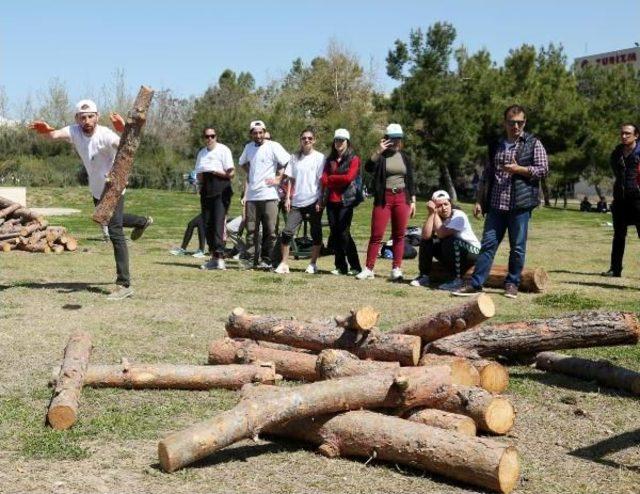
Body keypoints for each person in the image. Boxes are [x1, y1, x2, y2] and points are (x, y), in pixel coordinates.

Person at [28, 99, 152, 300]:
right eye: (82, 117)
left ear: (97, 117)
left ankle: (124, 284)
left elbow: (127, 146)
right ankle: (142, 221)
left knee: (115, 231)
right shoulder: (74, 131)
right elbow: (54, 135)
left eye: (90, 116)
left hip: (113, 187)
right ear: (77, 119)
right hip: (96, 189)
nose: (86, 121)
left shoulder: (105, 134)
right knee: (110, 220)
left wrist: (124, 130)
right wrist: (46, 131)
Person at [453, 104, 549, 299]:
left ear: (525, 122)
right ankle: (476, 284)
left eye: (520, 122)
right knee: (488, 245)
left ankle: (512, 283)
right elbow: (487, 174)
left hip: (519, 205)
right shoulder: (495, 144)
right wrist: (479, 200)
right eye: (512, 122)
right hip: (496, 205)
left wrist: (519, 169)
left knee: (518, 247)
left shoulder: (533, 143)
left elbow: (543, 169)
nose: (516, 126)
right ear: (505, 123)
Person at [356, 123, 416, 281]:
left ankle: (396, 269)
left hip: (402, 198)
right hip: (384, 198)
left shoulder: (405, 157)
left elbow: (410, 180)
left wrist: (413, 200)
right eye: (393, 139)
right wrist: (378, 151)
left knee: (399, 235)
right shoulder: (381, 157)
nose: (396, 142)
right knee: (376, 234)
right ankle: (369, 268)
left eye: (398, 139)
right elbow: (368, 167)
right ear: (386, 139)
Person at [238, 120, 290, 269]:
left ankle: (268, 260)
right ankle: (249, 260)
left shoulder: (274, 146)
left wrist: (279, 178)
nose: (258, 135)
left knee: (271, 230)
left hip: (269, 195)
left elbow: (288, 162)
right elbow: (242, 162)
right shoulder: (248, 148)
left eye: (261, 132)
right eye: (255, 133)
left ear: (264, 132)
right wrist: (252, 173)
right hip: (253, 196)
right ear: (251, 134)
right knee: (251, 230)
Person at [274, 128, 325, 274]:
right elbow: (290, 179)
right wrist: (288, 198)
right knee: (287, 232)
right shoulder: (294, 157)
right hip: (297, 202)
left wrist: (320, 200)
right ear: (300, 140)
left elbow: (322, 181)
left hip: (313, 200)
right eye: (304, 138)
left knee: (316, 233)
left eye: (310, 138)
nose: (307, 140)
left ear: (314, 140)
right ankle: (284, 263)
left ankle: (313, 263)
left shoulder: (320, 158)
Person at [410, 190, 480, 291]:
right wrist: (431, 214)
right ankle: (424, 276)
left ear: (450, 204)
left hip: (473, 252)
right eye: (439, 206)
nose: (444, 208)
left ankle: (456, 280)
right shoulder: (436, 215)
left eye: (446, 204)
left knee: (450, 239)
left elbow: (442, 233)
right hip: (454, 252)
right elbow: (425, 236)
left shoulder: (459, 215)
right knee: (427, 241)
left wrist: (435, 213)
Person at [321, 128, 363, 276]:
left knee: (344, 233)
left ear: (347, 142)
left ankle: (355, 266)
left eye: (342, 140)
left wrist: (332, 179)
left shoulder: (354, 158)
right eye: (337, 140)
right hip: (332, 201)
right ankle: (340, 266)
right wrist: (334, 179)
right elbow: (324, 179)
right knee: (335, 233)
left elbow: (349, 178)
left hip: (346, 200)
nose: (339, 143)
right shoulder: (330, 159)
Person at [601, 123, 640, 277]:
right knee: (618, 235)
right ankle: (615, 269)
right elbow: (616, 172)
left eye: (628, 134)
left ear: (636, 135)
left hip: (638, 201)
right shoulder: (616, 152)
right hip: (620, 200)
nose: (624, 136)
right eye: (622, 133)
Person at [194, 127, 235, 270]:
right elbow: (198, 174)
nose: (210, 139)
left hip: (221, 190)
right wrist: (199, 185)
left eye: (212, 136)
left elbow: (231, 173)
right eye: (207, 136)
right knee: (207, 224)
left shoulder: (224, 150)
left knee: (218, 224)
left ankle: (220, 257)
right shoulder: (201, 153)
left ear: (216, 137)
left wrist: (216, 172)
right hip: (206, 190)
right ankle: (213, 257)